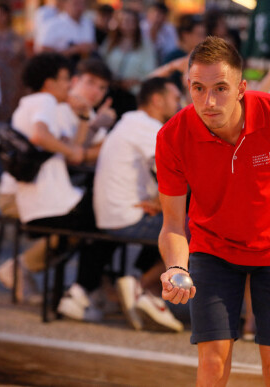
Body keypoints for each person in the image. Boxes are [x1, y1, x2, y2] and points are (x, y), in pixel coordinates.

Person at [156, 37, 270, 385]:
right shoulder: (172, 136)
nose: (209, 101)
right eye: (199, 88)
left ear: (241, 88)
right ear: (188, 86)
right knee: (212, 362)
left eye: (220, 88)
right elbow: (173, 223)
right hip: (213, 248)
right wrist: (175, 266)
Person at [0, 57, 116, 309]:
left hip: (50, 191)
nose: (95, 91)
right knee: (103, 218)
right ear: (70, 81)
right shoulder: (50, 102)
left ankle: (89, 285)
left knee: (97, 220)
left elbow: (81, 150)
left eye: (102, 88)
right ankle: (84, 286)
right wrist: (78, 150)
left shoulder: (60, 105)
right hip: (26, 194)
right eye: (88, 82)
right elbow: (61, 145)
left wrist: (85, 121)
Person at [94, 77, 183, 332]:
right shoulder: (147, 127)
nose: (179, 105)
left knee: (176, 221)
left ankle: (150, 294)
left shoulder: (131, 121)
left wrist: (158, 200)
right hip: (127, 216)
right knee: (196, 233)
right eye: (175, 98)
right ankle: (140, 286)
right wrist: (159, 200)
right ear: (157, 100)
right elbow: (175, 175)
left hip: (116, 213)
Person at [35, 0, 95, 65]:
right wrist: (74, 50)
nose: (79, 8)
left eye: (82, 4)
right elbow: (42, 53)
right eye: (76, 4)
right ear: (65, 4)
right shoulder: (52, 25)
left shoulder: (88, 23)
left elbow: (92, 45)